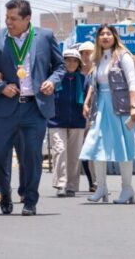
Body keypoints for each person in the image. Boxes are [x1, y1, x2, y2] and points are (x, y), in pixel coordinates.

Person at [0, 0, 65, 216]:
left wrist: (52, 81)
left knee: (32, 156)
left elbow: (60, 66)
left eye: (14, 18)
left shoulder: (44, 37)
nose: (9, 22)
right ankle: (4, 194)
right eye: (7, 17)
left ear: (27, 19)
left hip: (35, 108)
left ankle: (30, 200)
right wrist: (0, 86)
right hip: (5, 108)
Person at [80, 24, 135, 204]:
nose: (105, 37)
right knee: (96, 145)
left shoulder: (124, 57)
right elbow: (95, 85)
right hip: (101, 107)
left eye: (109, 33)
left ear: (115, 36)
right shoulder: (97, 59)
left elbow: (132, 83)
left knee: (124, 148)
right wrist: (87, 102)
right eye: (102, 34)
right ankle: (101, 187)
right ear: (98, 38)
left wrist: (133, 106)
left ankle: (127, 188)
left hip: (120, 107)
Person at [48, 48, 86, 197]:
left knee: (74, 155)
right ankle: (61, 184)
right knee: (60, 150)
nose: (71, 63)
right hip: (56, 120)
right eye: (67, 60)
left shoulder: (84, 79)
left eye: (74, 60)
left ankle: (72, 185)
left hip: (78, 121)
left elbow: (89, 99)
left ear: (79, 63)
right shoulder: (54, 79)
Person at [78, 40, 96, 192]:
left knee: (92, 148)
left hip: (93, 114)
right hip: (77, 115)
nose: (85, 56)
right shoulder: (76, 72)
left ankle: (94, 181)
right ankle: (91, 181)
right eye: (83, 53)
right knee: (82, 149)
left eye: (88, 52)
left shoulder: (96, 72)